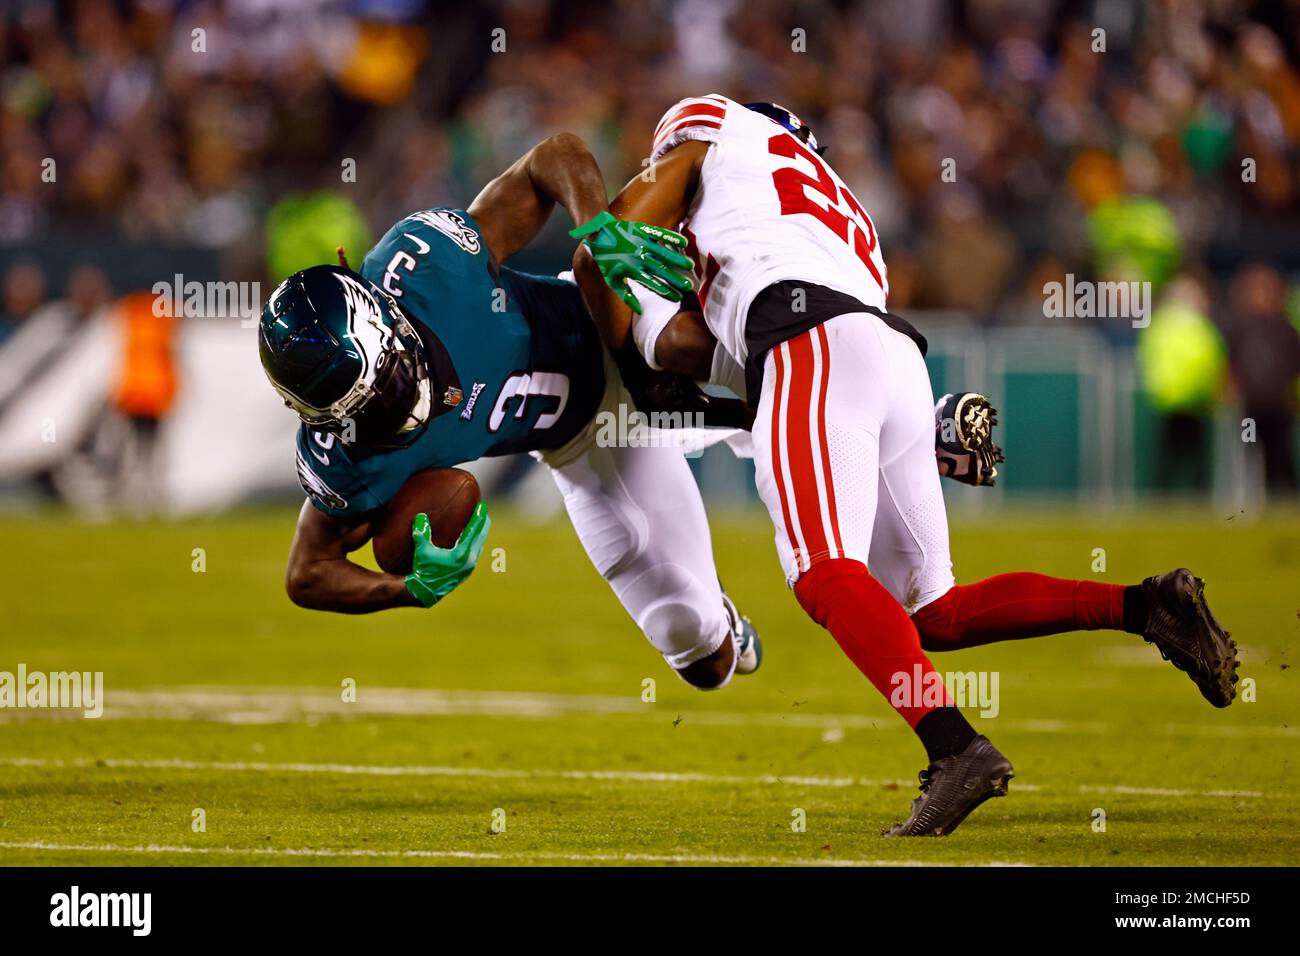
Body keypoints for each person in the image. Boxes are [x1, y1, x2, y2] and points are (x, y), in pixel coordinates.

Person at [571, 94, 1240, 836]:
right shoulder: (831, 209)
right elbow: (759, 350)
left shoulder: (713, 141)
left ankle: (955, 748)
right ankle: (1145, 605)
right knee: (933, 611)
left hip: (808, 344)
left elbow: (599, 249)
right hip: (889, 356)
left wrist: (642, 362)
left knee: (825, 573)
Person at [258, 133, 760, 691]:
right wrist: (406, 591)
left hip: (616, 320)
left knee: (754, 372)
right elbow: (307, 573)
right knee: (702, 660)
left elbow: (553, 157)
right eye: (368, 409)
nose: (391, 406)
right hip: (586, 440)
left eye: (389, 380)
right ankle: (725, 623)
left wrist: (602, 229)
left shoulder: (429, 269)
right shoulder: (348, 454)